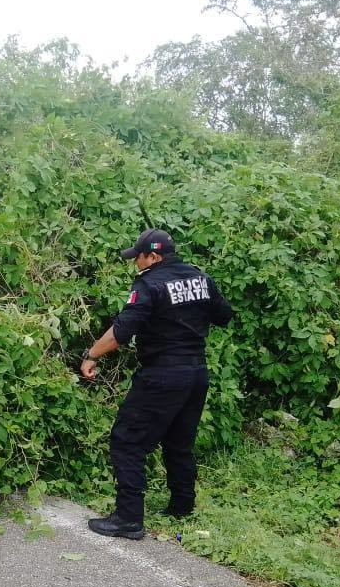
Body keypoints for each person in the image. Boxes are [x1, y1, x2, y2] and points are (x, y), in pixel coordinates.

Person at [79, 228, 233, 541]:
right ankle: (181, 506)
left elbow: (122, 330)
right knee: (179, 442)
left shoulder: (149, 284)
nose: (135, 262)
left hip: (163, 374)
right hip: (196, 374)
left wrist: (91, 355)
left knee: (127, 441)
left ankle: (128, 518)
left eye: (138, 257)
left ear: (153, 256)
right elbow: (224, 316)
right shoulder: (201, 279)